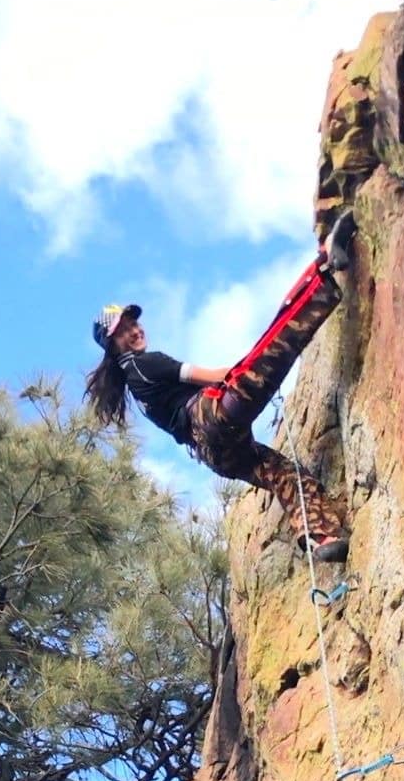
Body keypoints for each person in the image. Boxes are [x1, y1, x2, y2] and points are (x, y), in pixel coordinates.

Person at [85, 211, 358, 562]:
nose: (135, 331)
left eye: (133, 323)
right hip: (211, 416)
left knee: (283, 472)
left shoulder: (134, 381)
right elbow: (214, 377)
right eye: (123, 331)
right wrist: (249, 375)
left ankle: (321, 537)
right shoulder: (144, 363)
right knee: (271, 347)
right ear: (114, 345)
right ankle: (324, 266)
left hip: (216, 454)